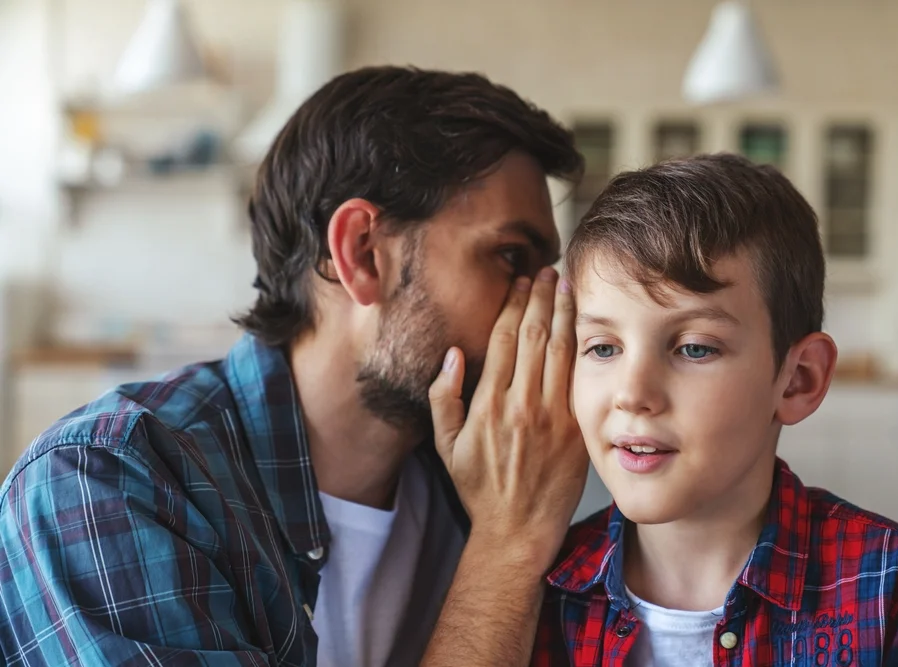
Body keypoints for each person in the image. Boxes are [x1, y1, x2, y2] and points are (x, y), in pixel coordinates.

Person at [0, 66, 592, 666]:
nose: (548, 311)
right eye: (511, 257)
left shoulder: (490, 478)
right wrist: (506, 547)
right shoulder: (109, 479)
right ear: (361, 253)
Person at [530, 154, 898, 666]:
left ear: (798, 380)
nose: (632, 393)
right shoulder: (538, 590)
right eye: (603, 348)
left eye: (694, 348)